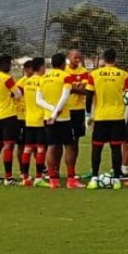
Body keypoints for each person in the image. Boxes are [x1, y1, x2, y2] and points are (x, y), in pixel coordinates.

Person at [84, 48, 128, 189]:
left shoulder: (94, 74)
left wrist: (88, 114)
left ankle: (94, 179)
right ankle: (116, 180)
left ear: (103, 59)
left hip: (100, 117)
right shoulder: (123, 75)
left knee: (97, 148)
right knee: (115, 148)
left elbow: (89, 95)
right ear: (115, 59)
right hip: (117, 117)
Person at [36, 52, 81, 189]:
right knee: (69, 145)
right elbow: (65, 97)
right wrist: (56, 113)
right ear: (63, 64)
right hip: (63, 117)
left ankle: (53, 180)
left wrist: (51, 111)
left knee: (51, 146)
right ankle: (71, 180)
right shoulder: (66, 76)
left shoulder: (43, 78)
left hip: (47, 117)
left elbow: (38, 100)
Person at [0, 55, 23, 185]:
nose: (10, 67)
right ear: (5, 64)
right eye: (10, 65)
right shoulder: (7, 78)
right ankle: (8, 177)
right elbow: (18, 94)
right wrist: (11, 94)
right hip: (8, 115)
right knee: (9, 145)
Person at [20, 57, 47, 187]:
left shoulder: (27, 82)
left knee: (27, 148)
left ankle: (25, 177)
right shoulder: (43, 81)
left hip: (28, 119)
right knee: (41, 149)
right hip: (40, 119)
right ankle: (38, 178)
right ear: (41, 67)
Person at [64, 50, 90, 179]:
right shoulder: (63, 71)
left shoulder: (84, 71)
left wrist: (71, 88)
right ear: (69, 57)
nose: (77, 59)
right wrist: (76, 88)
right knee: (61, 142)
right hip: (65, 109)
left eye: (79, 57)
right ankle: (55, 172)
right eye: (75, 57)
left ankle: (72, 171)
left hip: (78, 110)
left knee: (75, 141)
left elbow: (86, 90)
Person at [15, 60, 34, 172]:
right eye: (32, 68)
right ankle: (23, 170)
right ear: (26, 70)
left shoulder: (35, 81)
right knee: (21, 145)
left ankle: (41, 168)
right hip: (22, 118)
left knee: (36, 144)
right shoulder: (21, 83)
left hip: (33, 117)